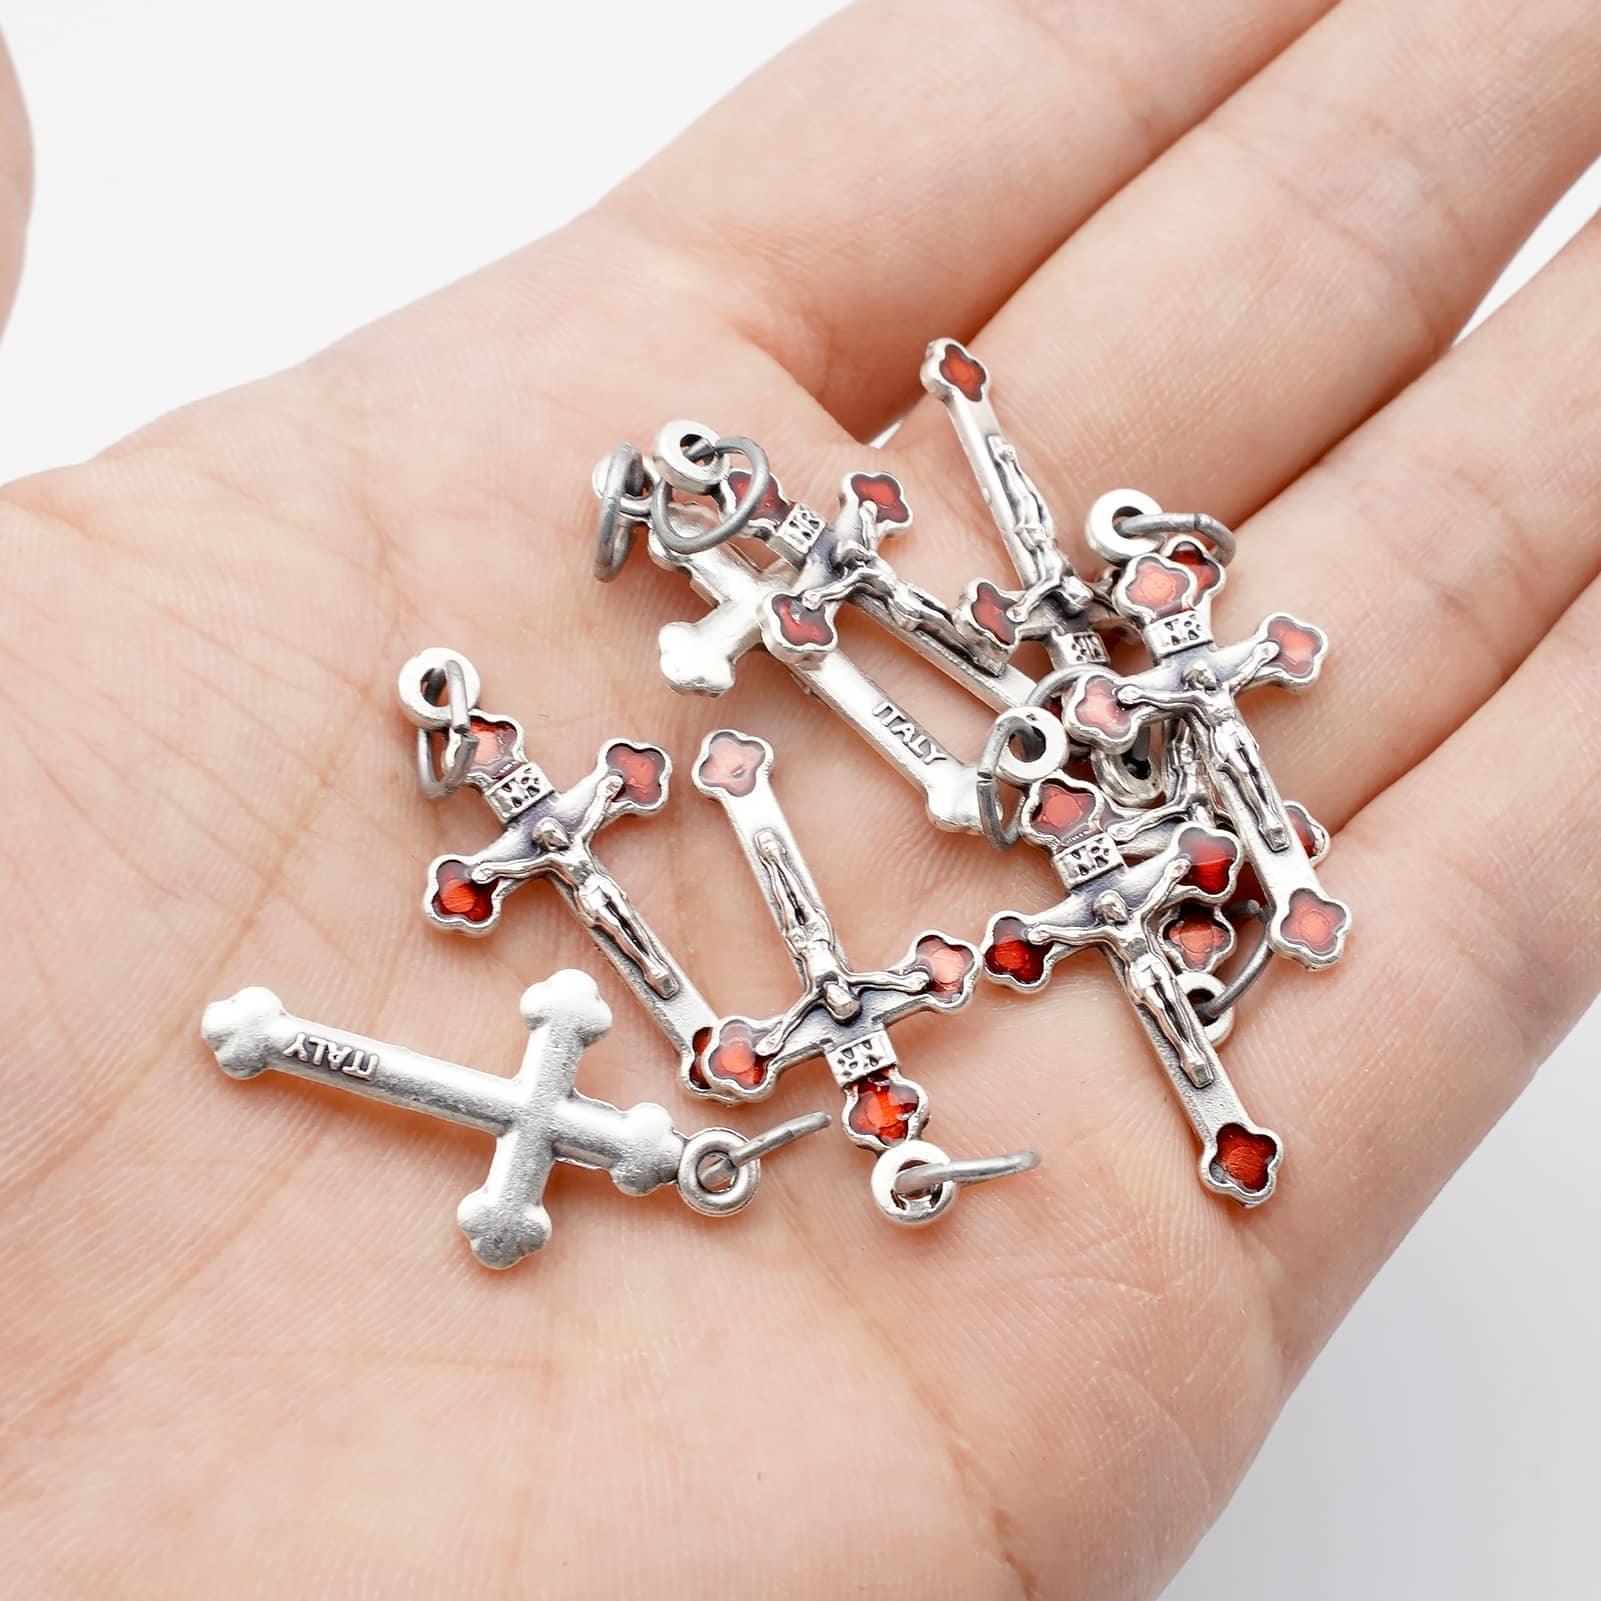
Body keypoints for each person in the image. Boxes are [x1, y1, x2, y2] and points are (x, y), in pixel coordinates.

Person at [6, 3, 1601, 1597]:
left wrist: (1143, 782)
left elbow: (1020, 890)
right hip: (887, 836)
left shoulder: (1039, 720)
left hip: (993, 786)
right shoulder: (732, 815)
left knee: (955, 752)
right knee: (891, 767)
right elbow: (958, 931)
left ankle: (1173, 953)